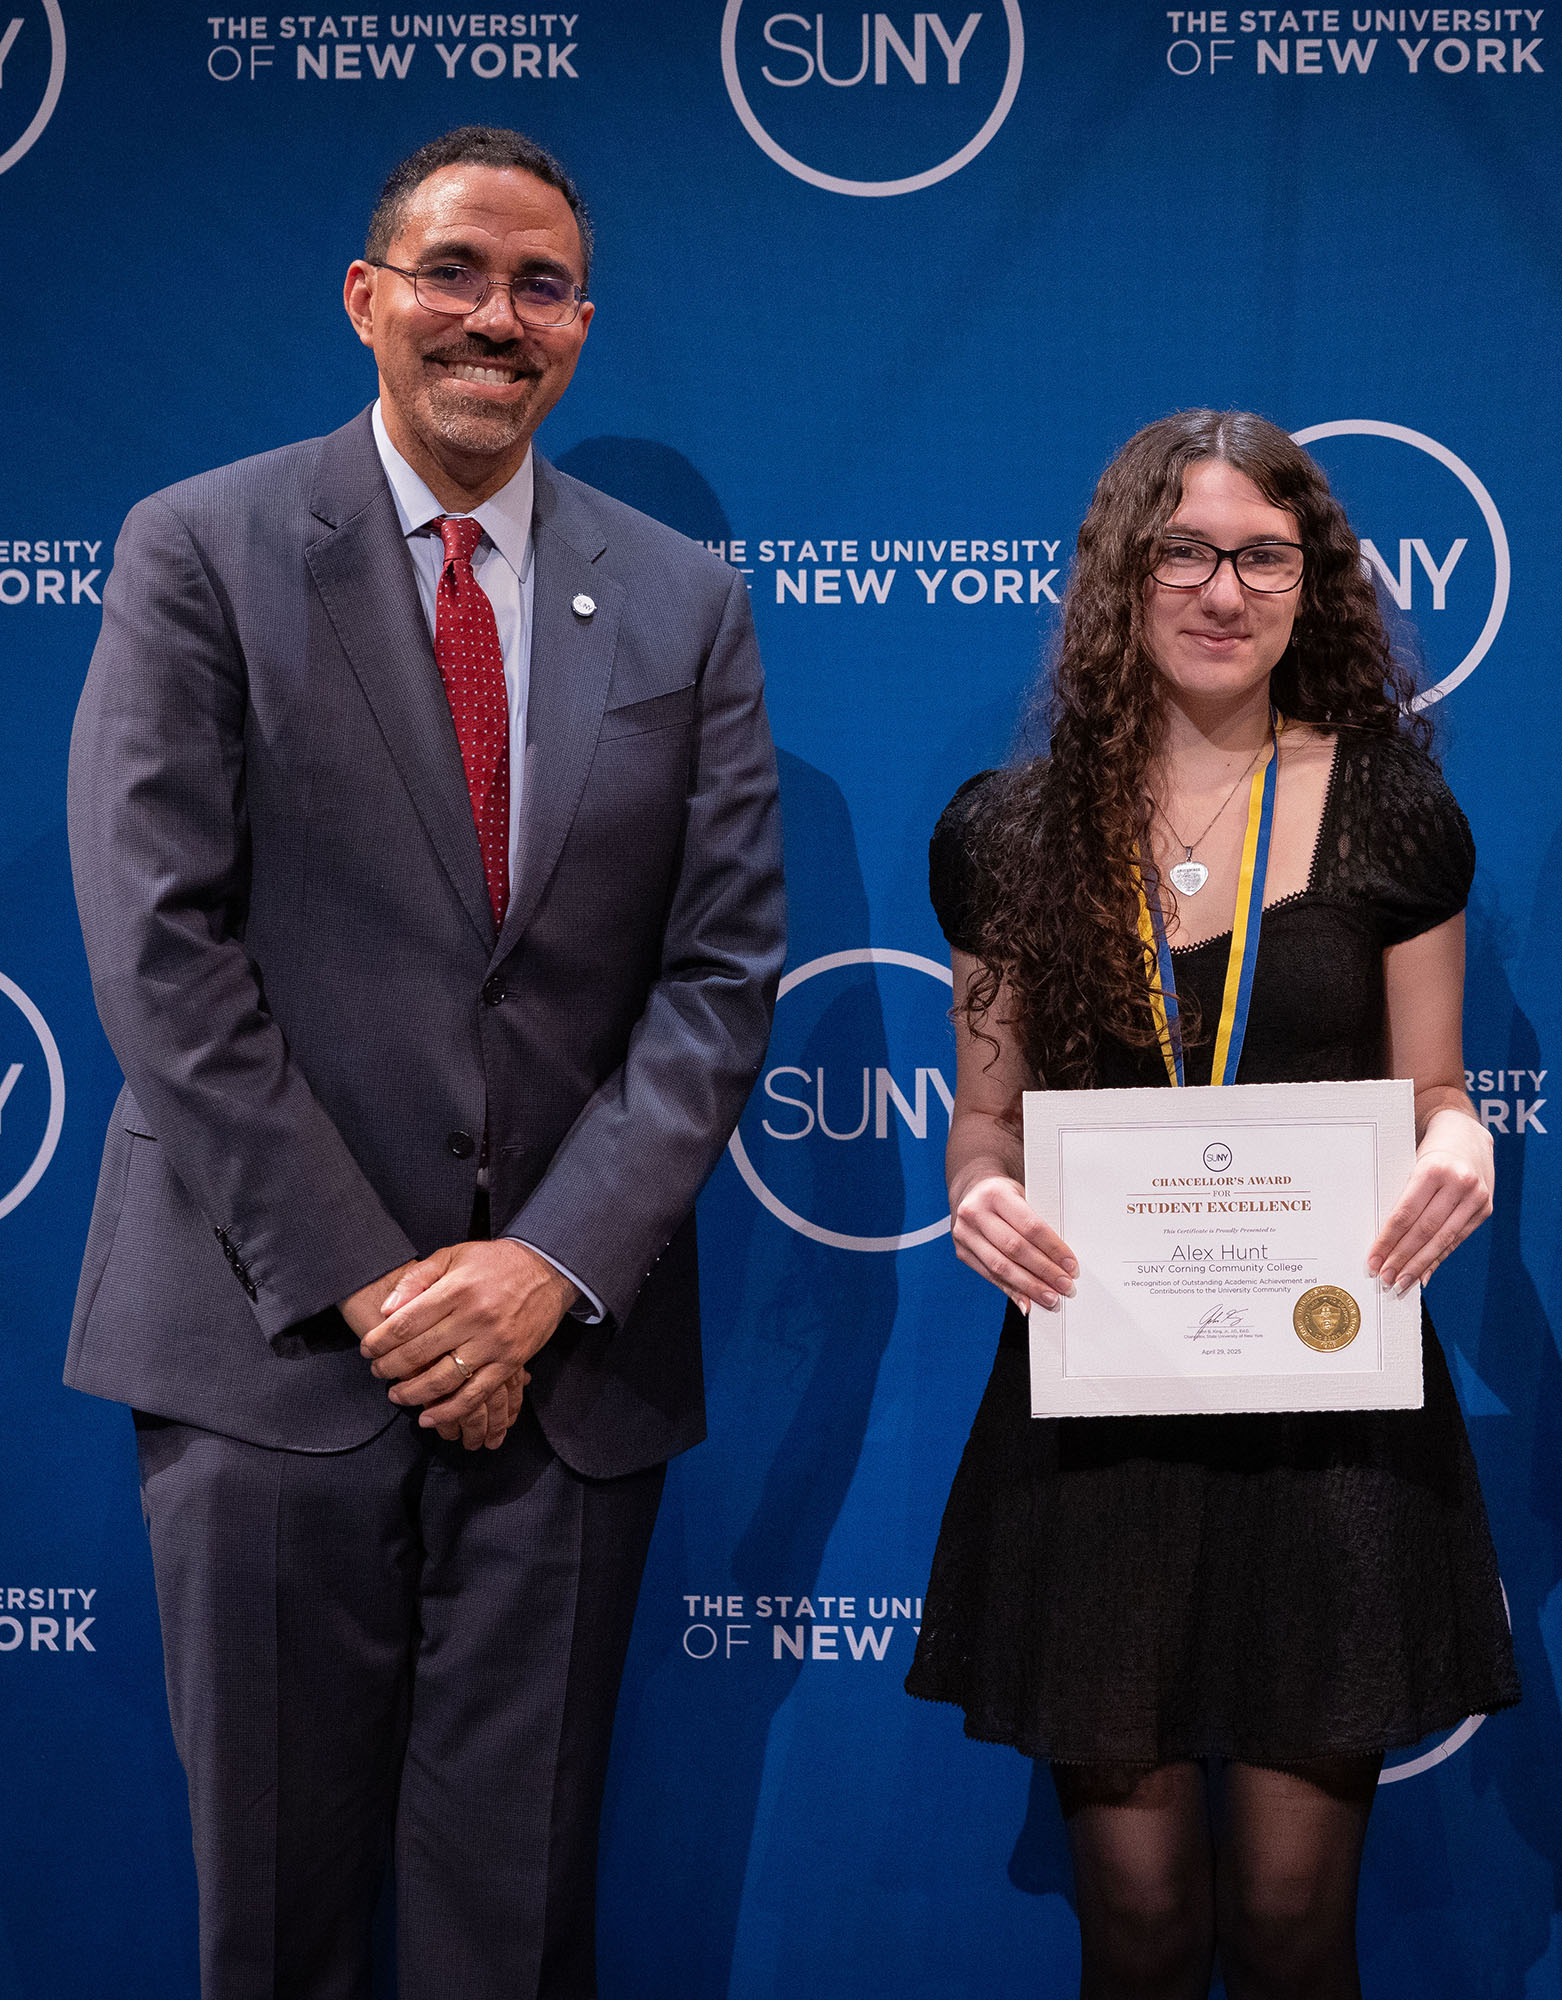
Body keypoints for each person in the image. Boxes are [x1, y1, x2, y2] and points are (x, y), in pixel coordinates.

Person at [65, 125, 785, 1999]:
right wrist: (384, 1288)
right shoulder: (200, 548)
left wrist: (538, 1274)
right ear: (367, 299)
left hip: (561, 1374)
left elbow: (715, 978)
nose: (498, 316)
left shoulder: (683, 604)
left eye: (542, 284)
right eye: (457, 272)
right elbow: (160, 945)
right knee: (279, 1928)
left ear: (583, 324)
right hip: (271, 1342)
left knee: (511, 1934)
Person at [905, 410, 1517, 1999]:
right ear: (1122, 576)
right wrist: (976, 1197)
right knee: (1141, 1929)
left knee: (1299, 1930)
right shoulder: (1011, 833)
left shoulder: (1390, 811)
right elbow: (983, 1121)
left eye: (1262, 553)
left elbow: (1436, 1091)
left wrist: (1460, 1150)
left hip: (1328, 1414)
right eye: (1181, 549)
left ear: (1310, 585)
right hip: (1099, 1415)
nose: (1221, 587)